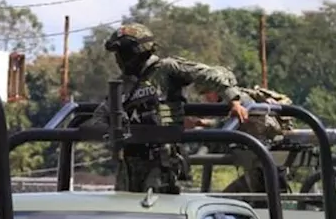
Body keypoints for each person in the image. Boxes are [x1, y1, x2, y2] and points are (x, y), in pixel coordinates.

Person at [87, 24, 246, 192]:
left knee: (156, 209)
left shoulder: (166, 69)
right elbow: (100, 117)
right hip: (129, 165)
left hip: (163, 161)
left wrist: (233, 100)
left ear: (137, 51)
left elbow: (211, 74)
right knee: (126, 213)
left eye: (122, 53)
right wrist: (111, 131)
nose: (119, 59)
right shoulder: (122, 84)